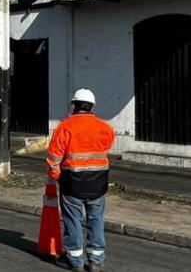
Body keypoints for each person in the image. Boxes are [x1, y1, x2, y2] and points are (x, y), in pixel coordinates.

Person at [47, 89, 116, 272]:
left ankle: (75, 261)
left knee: (73, 221)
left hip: (72, 183)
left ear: (74, 106)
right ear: (92, 106)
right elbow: (106, 148)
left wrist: (58, 177)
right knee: (96, 221)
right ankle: (96, 261)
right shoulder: (105, 128)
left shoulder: (64, 127)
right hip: (98, 184)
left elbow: (53, 160)